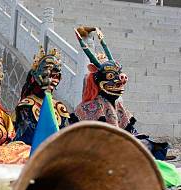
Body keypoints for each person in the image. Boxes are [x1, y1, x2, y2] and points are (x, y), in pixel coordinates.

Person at [71, 27, 169, 160]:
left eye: (118, 75)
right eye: (111, 76)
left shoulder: (118, 105)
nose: (119, 81)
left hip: (119, 147)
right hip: (96, 152)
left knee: (148, 144)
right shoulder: (89, 107)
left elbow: (130, 131)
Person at [14, 46, 70, 144]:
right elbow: (26, 135)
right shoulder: (27, 105)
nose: (51, 80)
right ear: (35, 76)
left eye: (55, 76)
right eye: (47, 75)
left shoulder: (59, 108)